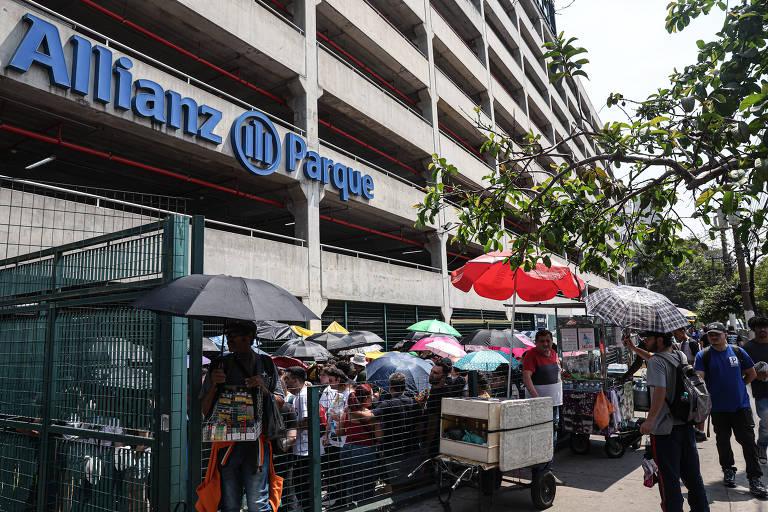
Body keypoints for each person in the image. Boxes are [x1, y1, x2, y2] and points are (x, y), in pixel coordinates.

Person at [200, 320, 285, 512]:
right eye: (228, 337)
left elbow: (280, 401)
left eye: (235, 337)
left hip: (257, 445)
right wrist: (214, 385)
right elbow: (204, 410)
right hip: (227, 446)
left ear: (249, 339)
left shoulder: (266, 364)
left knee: (258, 503)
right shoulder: (219, 365)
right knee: (230, 504)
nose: (230, 342)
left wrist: (263, 388)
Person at [637, 331, 709, 512]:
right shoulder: (679, 355)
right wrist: (633, 348)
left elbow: (660, 391)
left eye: (648, 338)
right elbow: (658, 359)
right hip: (686, 425)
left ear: (659, 340)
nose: (645, 341)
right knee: (693, 477)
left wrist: (650, 421)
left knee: (669, 480)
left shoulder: (656, 363)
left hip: (664, 431)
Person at [695, 322, 768, 497]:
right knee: (723, 442)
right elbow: (700, 378)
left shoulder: (737, 351)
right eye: (710, 334)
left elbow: (751, 373)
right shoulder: (703, 355)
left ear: (725, 335)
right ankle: (728, 470)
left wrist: (740, 385)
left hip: (740, 407)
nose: (713, 337)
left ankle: (754, 479)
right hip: (718, 409)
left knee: (748, 444)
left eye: (717, 334)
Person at [522, 329, 563, 457]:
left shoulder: (554, 353)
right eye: (542, 341)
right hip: (539, 403)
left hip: (554, 402)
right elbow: (526, 377)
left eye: (548, 341)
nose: (545, 344)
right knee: (541, 430)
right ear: (536, 343)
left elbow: (557, 372)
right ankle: (540, 458)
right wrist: (536, 397)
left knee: (553, 428)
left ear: (552, 341)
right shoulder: (531, 355)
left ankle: (549, 457)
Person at [372, 373, 419, 483]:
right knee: (410, 480)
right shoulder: (414, 402)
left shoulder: (387, 404)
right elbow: (419, 425)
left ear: (390, 387)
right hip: (411, 447)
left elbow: (371, 416)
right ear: (404, 386)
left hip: (392, 450)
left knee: (396, 482)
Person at [340, 384, 380, 504]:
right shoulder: (371, 415)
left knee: (350, 484)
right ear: (367, 398)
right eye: (372, 395)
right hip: (365, 451)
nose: (373, 398)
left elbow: (339, 431)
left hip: (346, 450)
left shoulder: (347, 412)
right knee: (366, 487)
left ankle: (350, 506)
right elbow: (380, 436)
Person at [283, 366, 310, 512]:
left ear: (296, 379)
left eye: (288, 379)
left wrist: (291, 428)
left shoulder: (303, 396)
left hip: (304, 448)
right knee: (299, 483)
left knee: (301, 483)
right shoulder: (299, 395)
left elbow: (307, 420)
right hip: (301, 447)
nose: (286, 382)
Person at [423, 358, 462, 456]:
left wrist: (427, 446)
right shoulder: (433, 390)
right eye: (431, 371)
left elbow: (434, 420)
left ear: (444, 376)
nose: (431, 374)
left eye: (435, 373)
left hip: (435, 440)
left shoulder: (444, 393)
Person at [744, 316, 768, 465]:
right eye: (759, 327)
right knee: (766, 420)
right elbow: (743, 371)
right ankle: (762, 446)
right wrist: (755, 375)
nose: (763, 330)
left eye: (765, 327)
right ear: (754, 329)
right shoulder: (748, 348)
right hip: (762, 392)